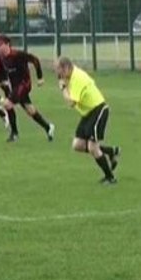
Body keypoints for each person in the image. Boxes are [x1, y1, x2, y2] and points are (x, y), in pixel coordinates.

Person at [55, 56, 120, 185]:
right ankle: (110, 152)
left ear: (67, 68)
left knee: (92, 147)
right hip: (88, 113)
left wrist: (63, 89)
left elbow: (71, 103)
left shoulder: (77, 78)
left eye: (60, 72)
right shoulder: (71, 75)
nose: (60, 76)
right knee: (77, 145)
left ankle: (110, 178)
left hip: (98, 110)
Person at [0, 35, 55, 143]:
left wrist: (40, 77)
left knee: (7, 104)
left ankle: (14, 134)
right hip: (15, 87)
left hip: (24, 84)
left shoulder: (18, 54)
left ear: (7, 44)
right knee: (30, 110)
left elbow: (35, 59)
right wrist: (1, 81)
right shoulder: (1, 57)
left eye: (0, 45)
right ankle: (48, 127)